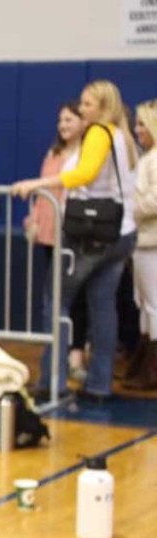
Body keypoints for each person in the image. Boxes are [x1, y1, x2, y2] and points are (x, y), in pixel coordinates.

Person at [14, 80, 138, 400]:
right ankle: (99, 384)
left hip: (90, 233)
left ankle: (52, 380)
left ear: (103, 107)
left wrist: (37, 183)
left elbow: (84, 174)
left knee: (56, 301)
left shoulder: (98, 132)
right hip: (121, 231)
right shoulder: (124, 137)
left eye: (87, 104)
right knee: (103, 305)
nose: (82, 110)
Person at [24, 102, 90, 381]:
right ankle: (56, 353)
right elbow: (43, 189)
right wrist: (34, 220)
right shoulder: (53, 153)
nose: (63, 125)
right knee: (54, 294)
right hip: (50, 231)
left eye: (69, 119)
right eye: (60, 120)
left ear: (84, 123)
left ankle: (76, 352)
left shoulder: (88, 155)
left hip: (75, 231)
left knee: (77, 296)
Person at [125, 98, 157, 389]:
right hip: (144, 241)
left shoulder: (154, 160)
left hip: (151, 242)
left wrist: (129, 208)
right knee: (146, 304)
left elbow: (154, 200)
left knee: (153, 304)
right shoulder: (148, 159)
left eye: (142, 124)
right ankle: (144, 363)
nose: (137, 130)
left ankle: (151, 369)